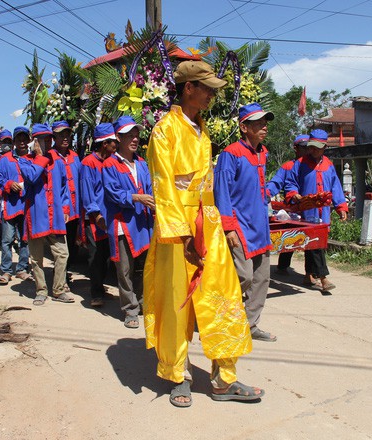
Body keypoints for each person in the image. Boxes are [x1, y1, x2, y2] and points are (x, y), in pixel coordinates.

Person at [144, 60, 263, 407]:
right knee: (177, 301)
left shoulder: (202, 129)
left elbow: (206, 185)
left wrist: (217, 226)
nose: (212, 94)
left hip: (207, 225)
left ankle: (224, 379)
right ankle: (177, 374)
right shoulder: (164, 130)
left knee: (223, 297)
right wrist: (183, 238)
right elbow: (164, 187)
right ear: (188, 89)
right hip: (176, 230)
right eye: (207, 87)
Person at [214, 103, 276, 343]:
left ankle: (249, 326)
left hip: (259, 225)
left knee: (262, 279)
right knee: (243, 277)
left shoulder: (263, 152)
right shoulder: (231, 153)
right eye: (258, 123)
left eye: (265, 122)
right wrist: (228, 226)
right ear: (244, 127)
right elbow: (223, 192)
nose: (264, 127)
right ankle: (221, 320)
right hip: (239, 226)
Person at [103, 116, 154, 329]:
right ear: (119, 138)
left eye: (136, 135)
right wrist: (136, 197)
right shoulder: (110, 164)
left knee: (143, 267)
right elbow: (113, 193)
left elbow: (150, 189)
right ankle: (129, 309)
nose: (134, 139)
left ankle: (142, 302)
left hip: (143, 222)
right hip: (123, 224)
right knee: (124, 269)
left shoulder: (142, 163)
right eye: (129, 135)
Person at [284, 129, 348, 292]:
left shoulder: (329, 165)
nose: (313, 150)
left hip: (323, 211)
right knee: (314, 243)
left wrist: (341, 207)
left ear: (324, 147)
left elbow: (336, 187)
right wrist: (294, 194)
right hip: (306, 211)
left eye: (317, 147)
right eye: (311, 147)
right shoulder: (300, 164)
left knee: (312, 244)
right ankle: (324, 278)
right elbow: (291, 183)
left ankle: (307, 274)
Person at [18, 123, 73, 306]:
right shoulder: (24, 160)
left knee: (62, 253)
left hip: (56, 216)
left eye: (49, 139)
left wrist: (65, 208)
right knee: (36, 257)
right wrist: (41, 157)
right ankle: (41, 290)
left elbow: (64, 187)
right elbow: (32, 177)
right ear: (35, 141)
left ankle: (58, 289)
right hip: (36, 216)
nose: (47, 143)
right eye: (43, 140)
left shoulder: (57, 160)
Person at [80, 123, 117, 308]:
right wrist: (96, 214)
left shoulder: (112, 161)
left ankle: (100, 287)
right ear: (104, 144)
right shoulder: (89, 163)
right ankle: (95, 292)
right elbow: (87, 193)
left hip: (109, 216)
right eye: (113, 143)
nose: (115, 146)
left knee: (107, 254)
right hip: (95, 219)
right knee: (95, 256)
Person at [0, 127, 32, 285]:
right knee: (7, 239)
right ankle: (6, 270)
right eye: (18, 139)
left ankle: (22, 268)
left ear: (28, 140)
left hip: (27, 205)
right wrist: (8, 184)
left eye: (24, 138)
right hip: (10, 205)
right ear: (14, 142)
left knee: (25, 239)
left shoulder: (32, 158)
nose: (22, 142)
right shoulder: (5, 159)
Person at [267, 134, 309, 275]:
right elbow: (276, 182)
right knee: (289, 237)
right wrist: (266, 193)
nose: (307, 150)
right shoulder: (288, 167)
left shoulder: (314, 166)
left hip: (310, 209)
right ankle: (283, 266)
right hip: (292, 209)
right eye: (303, 147)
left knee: (311, 241)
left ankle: (311, 273)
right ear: (296, 148)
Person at [52, 120, 81, 284]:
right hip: (59, 212)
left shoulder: (74, 156)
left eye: (67, 134)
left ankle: (65, 272)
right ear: (54, 136)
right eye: (61, 135)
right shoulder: (51, 157)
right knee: (59, 247)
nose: (65, 138)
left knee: (72, 245)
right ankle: (59, 278)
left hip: (74, 211)